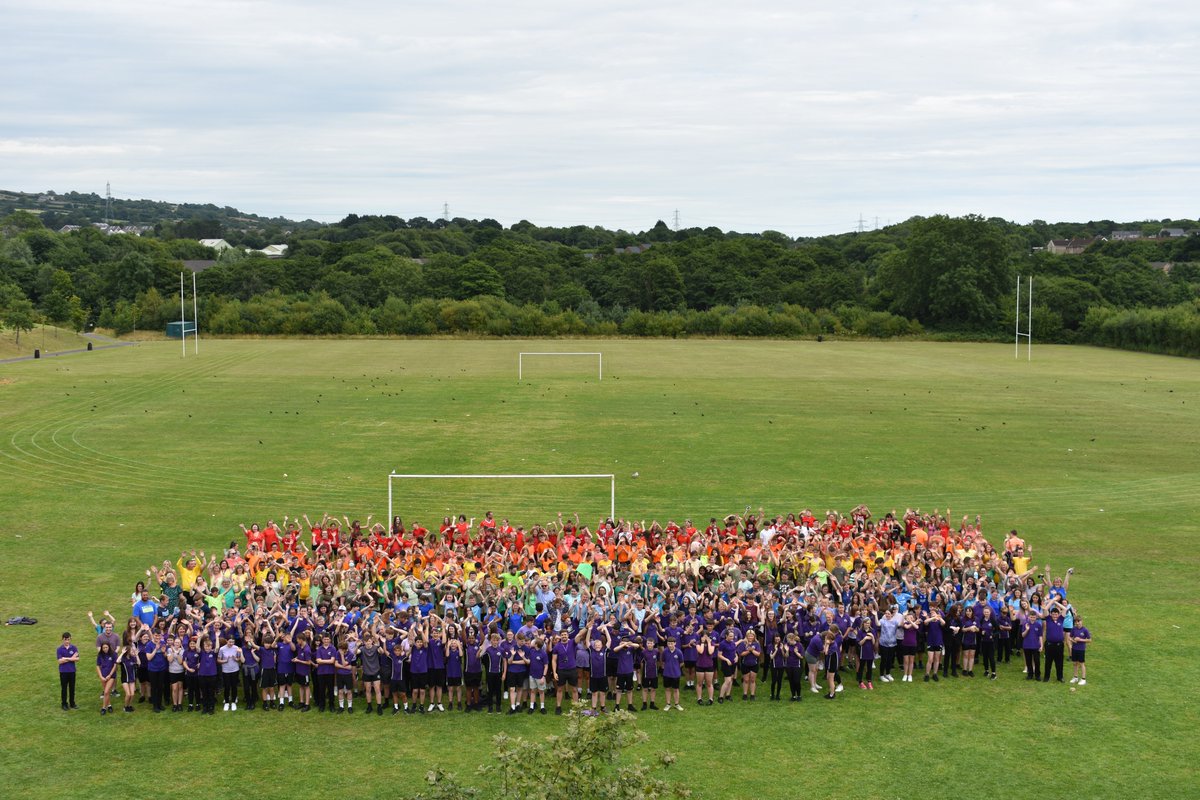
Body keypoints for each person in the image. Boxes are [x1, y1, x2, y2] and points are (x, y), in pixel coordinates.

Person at [217, 636, 243, 711]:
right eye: (230, 642)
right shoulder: (222, 649)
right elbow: (218, 660)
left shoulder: (236, 648)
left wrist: (236, 659)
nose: (231, 643)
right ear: (226, 641)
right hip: (226, 670)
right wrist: (225, 661)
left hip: (235, 670)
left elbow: (239, 659)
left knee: (234, 686)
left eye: (233, 642)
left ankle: (234, 702)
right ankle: (227, 702)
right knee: (227, 687)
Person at [57, 632, 80, 710]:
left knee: (72, 688)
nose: (67, 641)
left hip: (72, 671)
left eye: (68, 639)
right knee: (64, 688)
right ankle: (64, 704)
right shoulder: (59, 649)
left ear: (70, 639)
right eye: (65, 639)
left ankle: (72, 703)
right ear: (62, 639)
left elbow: (77, 659)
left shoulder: (74, 648)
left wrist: (65, 658)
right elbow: (60, 661)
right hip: (63, 672)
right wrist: (71, 658)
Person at [1068, 613, 1090, 686]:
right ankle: (1075, 677)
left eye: (1079, 621)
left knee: (1082, 663)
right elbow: (1070, 637)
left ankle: (1083, 679)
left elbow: (1089, 640)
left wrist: (1080, 639)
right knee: (1075, 663)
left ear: (1081, 621)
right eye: (1076, 622)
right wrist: (1073, 640)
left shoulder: (1085, 630)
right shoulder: (1073, 629)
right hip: (1074, 648)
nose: (1077, 623)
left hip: (1081, 649)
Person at [96, 641, 117, 714]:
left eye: (106, 647)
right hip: (103, 676)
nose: (105, 649)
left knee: (106, 691)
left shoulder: (114, 654)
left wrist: (110, 675)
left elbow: (115, 665)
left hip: (111, 676)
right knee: (106, 692)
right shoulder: (100, 655)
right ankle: (109, 705)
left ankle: (103, 707)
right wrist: (101, 676)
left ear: (109, 647)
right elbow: (98, 666)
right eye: (103, 648)